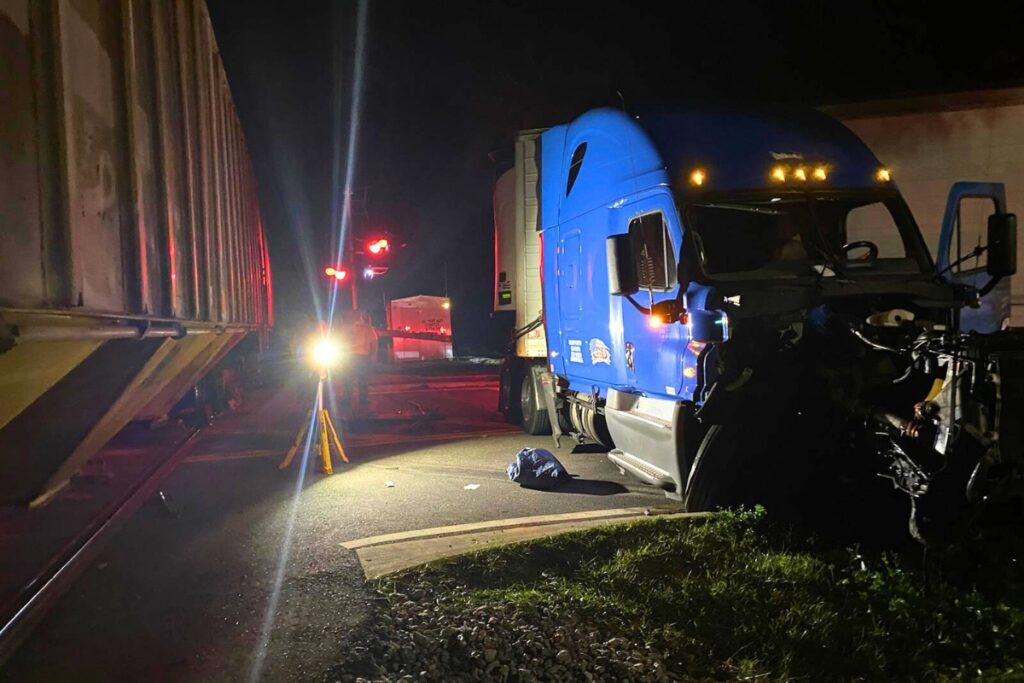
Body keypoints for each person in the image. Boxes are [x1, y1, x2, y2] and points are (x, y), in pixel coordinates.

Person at [338, 309, 378, 408]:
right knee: (360, 380)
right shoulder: (367, 328)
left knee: (350, 380)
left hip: (351, 357)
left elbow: (340, 342)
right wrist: (373, 356)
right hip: (360, 358)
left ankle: (348, 400)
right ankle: (361, 400)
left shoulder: (347, 328)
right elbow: (374, 343)